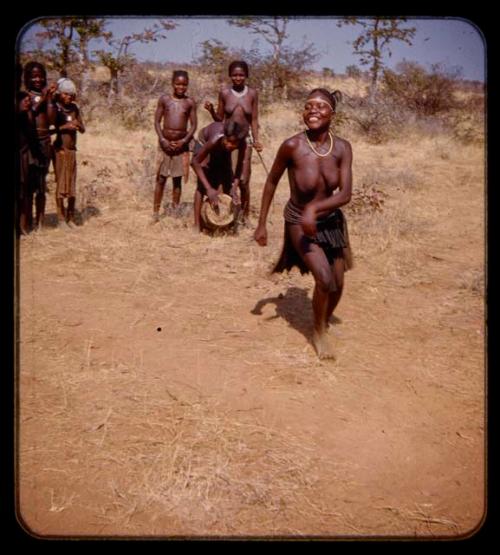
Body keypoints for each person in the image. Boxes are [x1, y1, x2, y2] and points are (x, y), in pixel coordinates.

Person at [253, 88, 353, 360]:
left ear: (332, 114)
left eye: (321, 107)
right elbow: (272, 181)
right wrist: (262, 224)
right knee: (323, 277)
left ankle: (323, 318)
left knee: (338, 282)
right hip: (298, 221)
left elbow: (345, 194)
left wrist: (316, 208)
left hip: (330, 223)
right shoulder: (292, 146)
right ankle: (318, 333)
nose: (313, 111)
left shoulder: (342, 147)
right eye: (308, 106)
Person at [204, 60, 262, 221]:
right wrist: (211, 111)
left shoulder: (252, 94)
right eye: (235, 75)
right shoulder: (224, 93)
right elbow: (219, 118)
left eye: (241, 75)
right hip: (228, 140)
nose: (238, 78)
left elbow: (255, 119)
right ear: (230, 76)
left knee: (243, 179)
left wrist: (256, 140)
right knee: (227, 177)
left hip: (246, 139)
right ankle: (226, 215)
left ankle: (245, 216)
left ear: (246, 75)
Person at [191, 116, 249, 232]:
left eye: (234, 144)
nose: (231, 145)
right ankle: (197, 224)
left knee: (226, 179)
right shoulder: (215, 139)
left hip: (220, 149)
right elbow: (195, 162)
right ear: (224, 137)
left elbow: (239, 167)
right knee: (202, 183)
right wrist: (209, 189)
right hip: (204, 142)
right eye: (229, 142)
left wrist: (234, 187)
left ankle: (221, 223)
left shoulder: (241, 143)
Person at [153, 70, 197, 221]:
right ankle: (156, 213)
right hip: (165, 146)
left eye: (184, 84)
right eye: (178, 84)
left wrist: (184, 142)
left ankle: (174, 213)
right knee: (161, 179)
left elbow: (193, 125)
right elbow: (157, 122)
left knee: (177, 180)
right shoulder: (164, 100)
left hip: (181, 147)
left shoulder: (189, 102)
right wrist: (163, 140)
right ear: (172, 84)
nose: (181, 87)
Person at [23, 61, 57, 231]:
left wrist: (49, 98)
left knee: (42, 185)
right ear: (27, 78)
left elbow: (51, 120)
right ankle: (27, 221)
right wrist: (43, 98)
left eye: (40, 75)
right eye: (34, 76)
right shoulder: (25, 96)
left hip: (44, 142)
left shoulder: (47, 96)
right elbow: (33, 111)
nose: (38, 79)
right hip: (29, 144)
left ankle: (41, 222)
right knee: (28, 185)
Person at [51, 78, 85, 228]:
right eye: (66, 94)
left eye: (71, 95)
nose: (69, 97)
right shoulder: (55, 108)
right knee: (61, 184)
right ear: (60, 94)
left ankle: (70, 217)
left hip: (72, 151)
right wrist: (65, 127)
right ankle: (60, 218)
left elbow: (83, 128)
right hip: (60, 151)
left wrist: (78, 125)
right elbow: (50, 129)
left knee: (71, 185)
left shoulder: (74, 108)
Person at [16, 91, 43, 235]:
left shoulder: (27, 118)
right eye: (25, 100)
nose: (28, 102)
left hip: (25, 158)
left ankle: (23, 225)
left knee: (24, 193)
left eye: (29, 100)